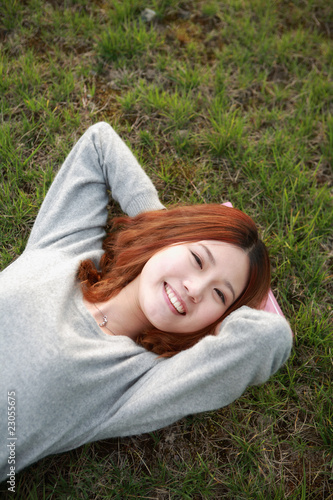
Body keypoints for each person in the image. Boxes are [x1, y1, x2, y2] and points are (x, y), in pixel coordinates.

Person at [0, 122, 292, 481]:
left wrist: (215, 325)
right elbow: (98, 143)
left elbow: (270, 338)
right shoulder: (67, 250)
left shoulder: (139, 382)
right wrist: (161, 226)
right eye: (198, 259)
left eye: (220, 295)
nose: (195, 289)